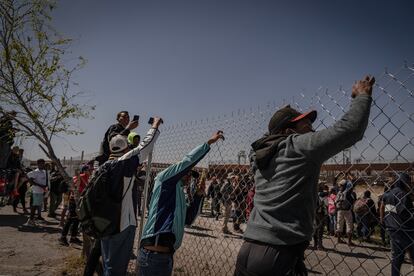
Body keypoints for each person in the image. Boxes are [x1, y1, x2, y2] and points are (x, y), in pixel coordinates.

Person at [235, 76, 375, 276]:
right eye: (305, 125)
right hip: (278, 254)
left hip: (248, 249)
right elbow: (350, 129)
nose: (312, 129)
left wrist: (277, 120)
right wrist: (362, 96)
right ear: (289, 131)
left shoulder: (258, 156)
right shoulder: (298, 145)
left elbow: (266, 138)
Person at [138, 130, 224, 276]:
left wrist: (198, 196)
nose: (190, 178)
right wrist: (209, 142)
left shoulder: (178, 193)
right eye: (189, 173)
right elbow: (187, 161)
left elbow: (188, 219)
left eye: (192, 176)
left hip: (166, 256)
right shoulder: (164, 180)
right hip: (153, 255)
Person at [99, 117, 162, 276]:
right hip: (121, 225)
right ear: (126, 148)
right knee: (116, 269)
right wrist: (155, 125)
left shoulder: (103, 166)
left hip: (103, 222)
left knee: (108, 263)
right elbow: (146, 144)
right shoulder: (123, 164)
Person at [380, 172, 414, 276]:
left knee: (397, 258)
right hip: (407, 231)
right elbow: (406, 214)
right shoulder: (403, 195)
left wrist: (382, 220)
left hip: (393, 229)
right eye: (408, 181)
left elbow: (382, 206)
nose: (410, 184)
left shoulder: (388, 194)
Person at [25, 159, 48, 226]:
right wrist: (40, 185)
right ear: (38, 164)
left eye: (43, 163)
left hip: (41, 191)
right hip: (36, 191)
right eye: (41, 163)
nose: (42, 165)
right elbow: (29, 178)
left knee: (37, 205)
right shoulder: (35, 172)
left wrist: (44, 188)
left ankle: (32, 220)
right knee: (34, 206)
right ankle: (30, 221)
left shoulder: (43, 171)